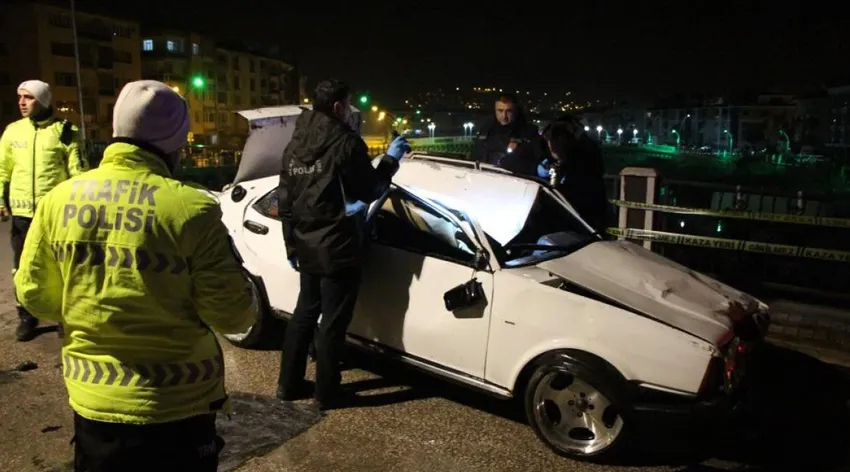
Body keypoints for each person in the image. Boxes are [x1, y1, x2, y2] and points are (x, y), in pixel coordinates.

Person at [13, 80, 256, 471]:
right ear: (175, 141)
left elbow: (36, 297)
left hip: (94, 403)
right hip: (179, 406)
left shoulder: (58, 199)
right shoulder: (191, 208)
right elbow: (234, 315)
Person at [277, 79, 409, 411]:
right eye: (348, 105)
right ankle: (326, 392)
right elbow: (371, 190)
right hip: (337, 244)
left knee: (304, 314)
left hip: (306, 242)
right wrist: (391, 161)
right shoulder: (346, 143)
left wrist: (291, 246)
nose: (350, 112)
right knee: (332, 322)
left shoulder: (294, 144)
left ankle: (288, 384)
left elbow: (285, 198)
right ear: (337, 107)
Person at [0, 80, 87, 341]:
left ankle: (63, 317)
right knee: (22, 269)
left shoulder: (66, 131)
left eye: (29, 98)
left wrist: (81, 205)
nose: (22, 102)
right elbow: (2, 170)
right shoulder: (12, 132)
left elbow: (78, 172)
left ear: (44, 101)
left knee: (62, 267)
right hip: (23, 216)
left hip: (56, 215)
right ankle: (26, 317)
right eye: (20, 97)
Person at [537, 114, 609, 233]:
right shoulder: (584, 155)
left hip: (578, 226)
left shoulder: (580, 168)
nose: (548, 146)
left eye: (550, 143)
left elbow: (568, 201)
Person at [470, 93, 546, 176]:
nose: (504, 116)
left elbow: (536, 161)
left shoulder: (529, 131)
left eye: (509, 111)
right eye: (500, 111)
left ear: (516, 111)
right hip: (487, 177)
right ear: (495, 110)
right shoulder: (486, 129)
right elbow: (475, 155)